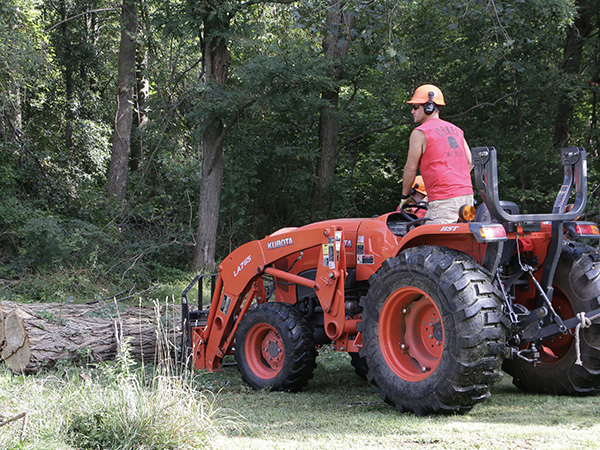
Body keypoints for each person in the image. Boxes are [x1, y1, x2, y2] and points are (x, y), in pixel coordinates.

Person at [399, 84, 474, 224]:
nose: (412, 111)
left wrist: (405, 196)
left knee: (432, 242)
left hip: (444, 200)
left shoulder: (420, 133)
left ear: (429, 107)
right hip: (467, 198)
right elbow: (470, 162)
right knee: (460, 241)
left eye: (415, 107)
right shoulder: (457, 130)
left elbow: (410, 169)